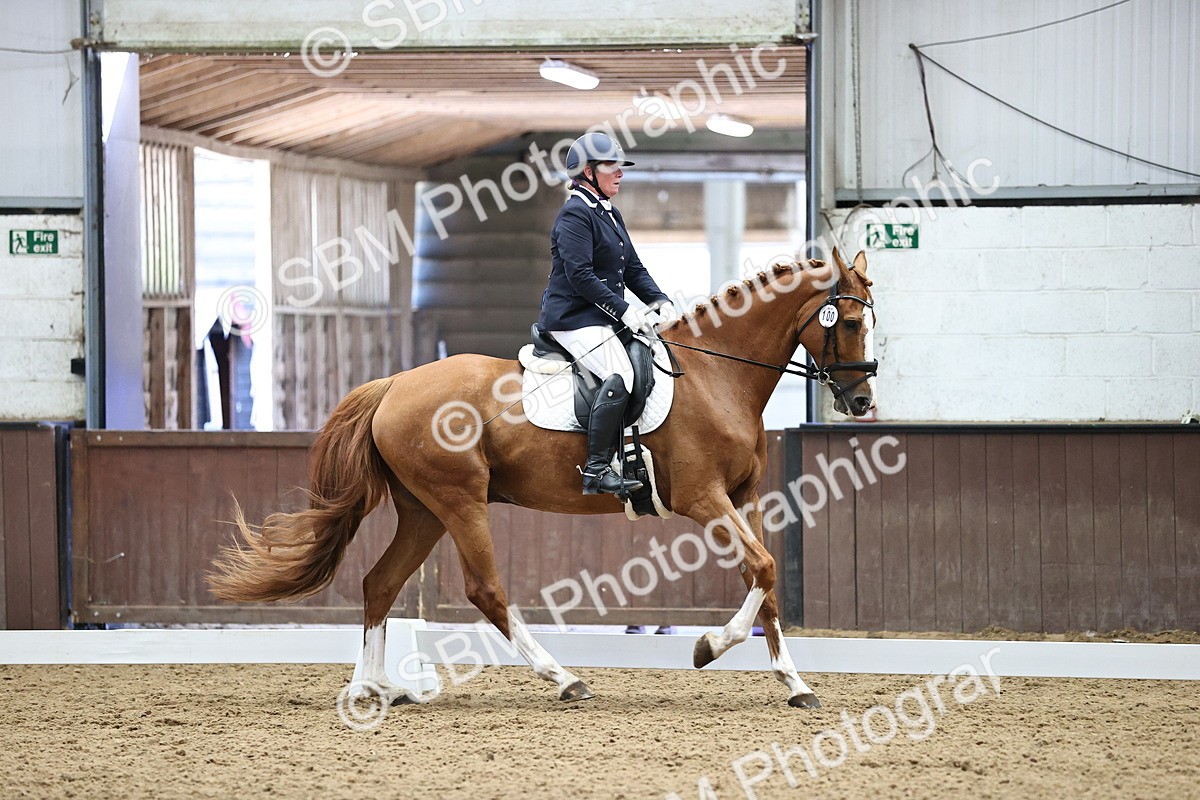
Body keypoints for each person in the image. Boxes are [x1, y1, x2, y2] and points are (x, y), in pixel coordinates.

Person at [538, 132, 678, 496]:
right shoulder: (574, 215)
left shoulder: (609, 213)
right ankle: (597, 470)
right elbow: (580, 276)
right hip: (572, 318)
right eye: (611, 166)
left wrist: (660, 301)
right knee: (622, 373)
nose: (620, 173)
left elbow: (632, 269)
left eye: (620, 167)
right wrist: (625, 310)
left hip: (601, 317)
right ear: (587, 171)